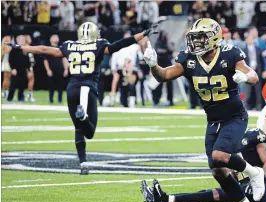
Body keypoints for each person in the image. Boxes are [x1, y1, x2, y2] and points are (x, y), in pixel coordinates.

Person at [143, 18, 264, 202]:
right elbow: (163, 76)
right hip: (213, 120)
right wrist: (154, 65)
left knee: (220, 155)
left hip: (235, 117)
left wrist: (246, 77)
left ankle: (254, 172)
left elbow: (252, 74)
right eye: (194, 38)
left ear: (214, 38)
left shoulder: (229, 53)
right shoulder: (189, 58)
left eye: (201, 38)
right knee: (217, 169)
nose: (196, 42)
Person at [6, 22, 158, 174]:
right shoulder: (99, 44)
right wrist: (143, 34)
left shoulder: (69, 45)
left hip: (72, 89)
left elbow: (44, 49)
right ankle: (83, 117)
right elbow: (119, 44)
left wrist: (21, 47)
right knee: (89, 131)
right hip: (87, 89)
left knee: (78, 128)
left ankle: (83, 163)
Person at [141, 128, 266, 202]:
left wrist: (259, 179)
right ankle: (158, 197)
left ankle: (165, 200)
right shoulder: (230, 140)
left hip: (260, 191)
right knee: (207, 192)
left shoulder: (253, 135)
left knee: (214, 195)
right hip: (243, 184)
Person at [7, 35, 33, 102]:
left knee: (22, 85)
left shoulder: (26, 49)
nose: (22, 41)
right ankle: (9, 98)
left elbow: (28, 61)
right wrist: (13, 68)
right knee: (13, 85)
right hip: (15, 70)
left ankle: (20, 98)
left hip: (24, 70)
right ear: (17, 40)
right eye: (20, 40)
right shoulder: (14, 49)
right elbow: (10, 59)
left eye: (23, 40)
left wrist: (29, 69)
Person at [43, 34, 68, 104]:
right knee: (51, 86)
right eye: (54, 37)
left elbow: (64, 59)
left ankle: (60, 100)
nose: (56, 38)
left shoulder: (61, 48)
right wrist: (48, 70)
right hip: (51, 70)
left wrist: (66, 69)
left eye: (57, 37)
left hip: (60, 70)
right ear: (50, 39)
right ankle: (51, 100)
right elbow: (45, 60)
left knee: (60, 86)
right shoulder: (48, 49)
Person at [25, 34, 36, 102]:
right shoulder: (26, 47)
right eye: (29, 38)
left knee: (31, 80)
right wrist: (28, 68)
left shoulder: (29, 47)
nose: (30, 39)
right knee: (31, 80)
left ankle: (29, 95)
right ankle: (29, 95)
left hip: (30, 66)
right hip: (28, 67)